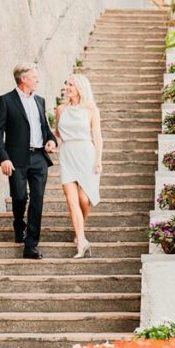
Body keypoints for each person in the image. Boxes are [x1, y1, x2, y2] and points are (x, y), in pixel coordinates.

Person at [0, 64, 57, 259]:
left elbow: (45, 129)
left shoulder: (40, 101)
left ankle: (31, 245)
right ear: (23, 79)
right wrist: (4, 158)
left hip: (39, 158)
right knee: (20, 197)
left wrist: (51, 140)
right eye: (34, 76)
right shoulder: (6, 101)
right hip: (16, 159)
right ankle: (18, 224)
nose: (37, 79)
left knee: (37, 200)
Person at [54, 74, 102, 258]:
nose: (68, 87)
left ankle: (80, 226)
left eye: (71, 85)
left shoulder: (91, 109)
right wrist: (52, 142)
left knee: (84, 199)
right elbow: (58, 132)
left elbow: (97, 136)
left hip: (87, 155)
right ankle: (81, 241)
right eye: (67, 84)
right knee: (71, 200)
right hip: (67, 155)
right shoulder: (60, 109)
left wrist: (99, 159)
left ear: (80, 87)